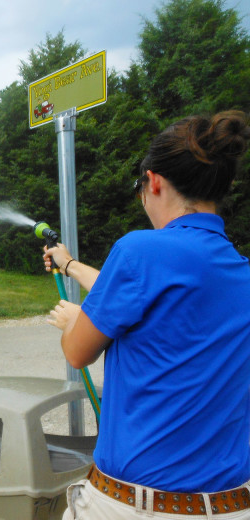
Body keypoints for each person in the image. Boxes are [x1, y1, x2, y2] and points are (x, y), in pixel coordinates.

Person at [42, 111, 250, 520]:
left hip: (135, 505)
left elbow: (77, 353)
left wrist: (74, 321)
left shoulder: (140, 250)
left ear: (154, 182)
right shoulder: (238, 271)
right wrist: (69, 264)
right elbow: (145, 295)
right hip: (231, 504)